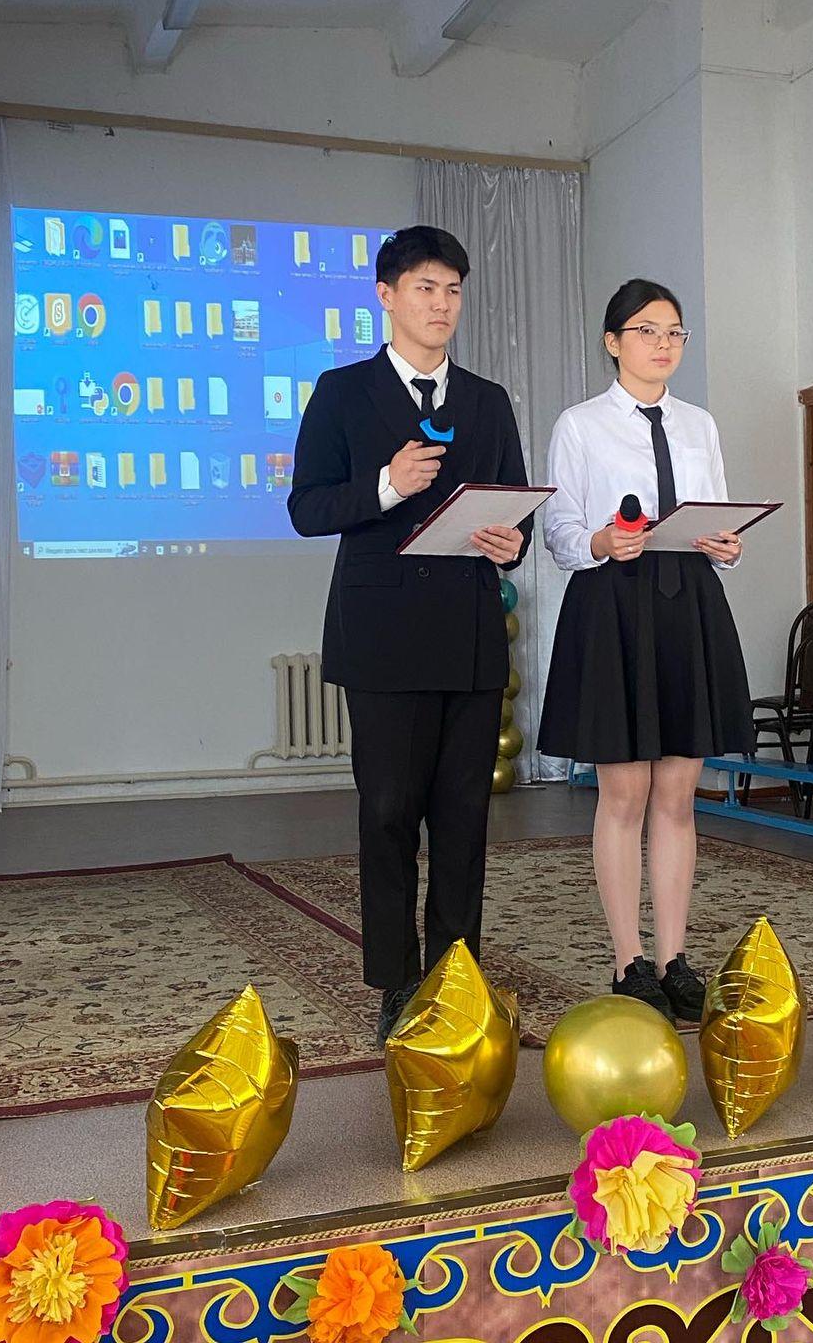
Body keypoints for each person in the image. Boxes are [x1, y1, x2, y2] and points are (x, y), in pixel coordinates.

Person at [287, 225, 531, 1042]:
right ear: (386, 296)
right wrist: (386, 486)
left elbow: (515, 505)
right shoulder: (342, 392)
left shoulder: (487, 401)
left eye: (453, 290)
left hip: (469, 631)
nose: (441, 304)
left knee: (464, 817)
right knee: (389, 813)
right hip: (383, 635)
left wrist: (512, 541)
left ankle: (455, 974)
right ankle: (396, 980)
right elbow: (306, 508)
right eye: (425, 288)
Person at [538, 279, 754, 1024]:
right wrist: (600, 540)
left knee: (677, 795)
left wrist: (727, 545)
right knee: (625, 794)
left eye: (674, 333)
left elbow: (716, 515)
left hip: (687, 601)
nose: (663, 345)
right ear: (613, 341)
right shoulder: (580, 424)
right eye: (646, 331)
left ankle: (674, 960)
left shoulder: (699, 424)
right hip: (615, 604)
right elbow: (561, 531)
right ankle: (628, 960)